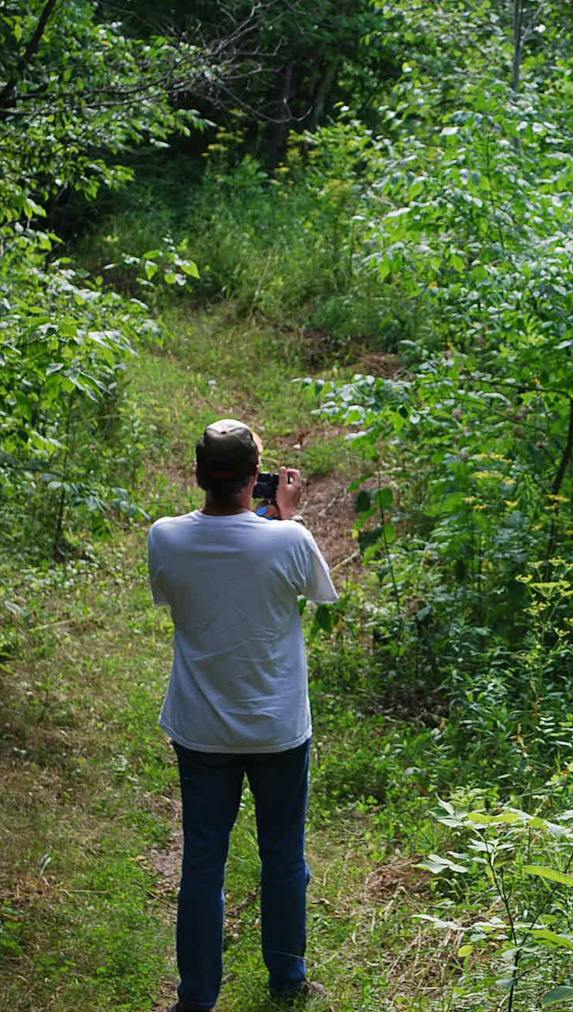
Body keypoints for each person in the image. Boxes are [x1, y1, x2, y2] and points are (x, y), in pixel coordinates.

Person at [148, 418, 338, 1010]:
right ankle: (287, 979)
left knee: (203, 860)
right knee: (283, 856)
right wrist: (286, 514)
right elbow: (316, 591)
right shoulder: (289, 538)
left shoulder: (166, 537)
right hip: (278, 729)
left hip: (202, 731)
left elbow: (183, 584)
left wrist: (263, 518)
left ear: (198, 476)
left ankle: (197, 996)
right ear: (256, 478)